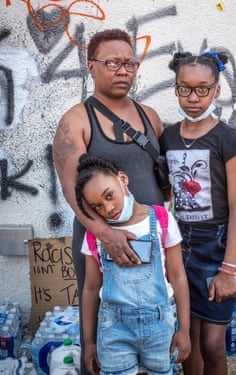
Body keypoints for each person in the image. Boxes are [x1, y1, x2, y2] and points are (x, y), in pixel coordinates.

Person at [52, 29, 167, 373]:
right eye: (112, 62)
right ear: (91, 66)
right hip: (100, 243)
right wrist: (107, 235)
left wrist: (166, 227)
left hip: (152, 242)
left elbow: (164, 178)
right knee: (104, 330)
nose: (122, 70)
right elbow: (74, 192)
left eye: (129, 63)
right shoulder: (76, 120)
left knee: (154, 328)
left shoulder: (151, 117)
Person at [159, 51, 236, 375]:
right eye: (185, 88)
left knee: (212, 342)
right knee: (188, 341)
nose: (193, 98)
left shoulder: (227, 138)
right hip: (181, 247)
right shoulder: (168, 137)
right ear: (176, 89)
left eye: (203, 89)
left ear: (217, 91)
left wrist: (228, 268)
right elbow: (169, 191)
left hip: (217, 247)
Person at [75, 154, 191, 375]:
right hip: (114, 331)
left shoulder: (162, 220)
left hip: (160, 327)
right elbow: (90, 288)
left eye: (109, 196)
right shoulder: (95, 235)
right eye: (97, 206)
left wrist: (184, 329)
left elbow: (178, 276)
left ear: (123, 179)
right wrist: (89, 343)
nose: (108, 208)